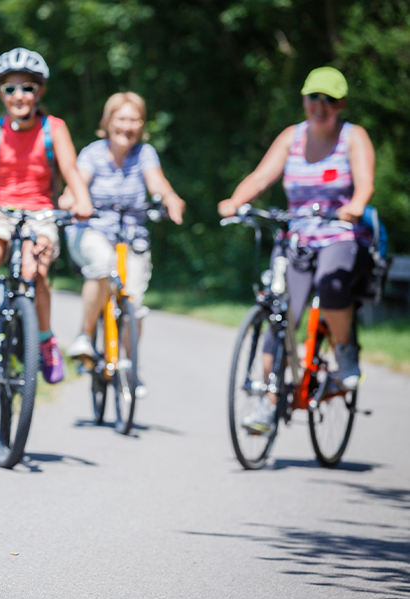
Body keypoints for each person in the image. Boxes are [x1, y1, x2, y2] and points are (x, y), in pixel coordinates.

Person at [218, 67, 374, 433]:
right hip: (298, 238)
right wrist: (236, 200)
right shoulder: (292, 137)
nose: (320, 106)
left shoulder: (353, 137)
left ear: (341, 104)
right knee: (279, 311)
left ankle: (345, 352)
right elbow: (260, 177)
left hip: (340, 233)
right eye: (313, 97)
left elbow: (365, 183)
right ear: (304, 99)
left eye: (329, 99)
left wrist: (354, 206)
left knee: (332, 282)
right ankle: (269, 403)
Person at [0, 47, 92, 416]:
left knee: (34, 273)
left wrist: (81, 199)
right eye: (10, 90)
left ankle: (43, 341)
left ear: (39, 92)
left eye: (27, 88)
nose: (19, 96)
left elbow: (71, 170)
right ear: (1, 94)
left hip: (41, 214)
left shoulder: (53, 128)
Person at [58, 92, 185, 398]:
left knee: (134, 304)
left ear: (140, 125)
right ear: (108, 122)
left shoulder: (145, 154)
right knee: (101, 265)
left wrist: (169, 199)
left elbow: (157, 183)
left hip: (130, 236)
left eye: (133, 120)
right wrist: (72, 201)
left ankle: (129, 366)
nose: (127, 126)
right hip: (90, 229)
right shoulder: (92, 153)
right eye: (121, 119)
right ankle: (85, 336)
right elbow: (76, 184)